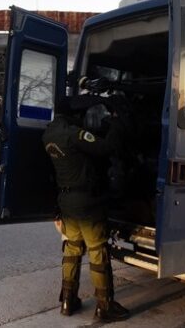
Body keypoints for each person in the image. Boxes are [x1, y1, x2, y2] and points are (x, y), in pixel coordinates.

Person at [42, 97, 130, 322]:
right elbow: (106, 148)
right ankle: (105, 306)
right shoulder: (74, 134)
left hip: (66, 201)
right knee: (97, 252)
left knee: (72, 249)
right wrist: (117, 124)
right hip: (87, 203)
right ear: (73, 115)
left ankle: (67, 300)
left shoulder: (48, 135)